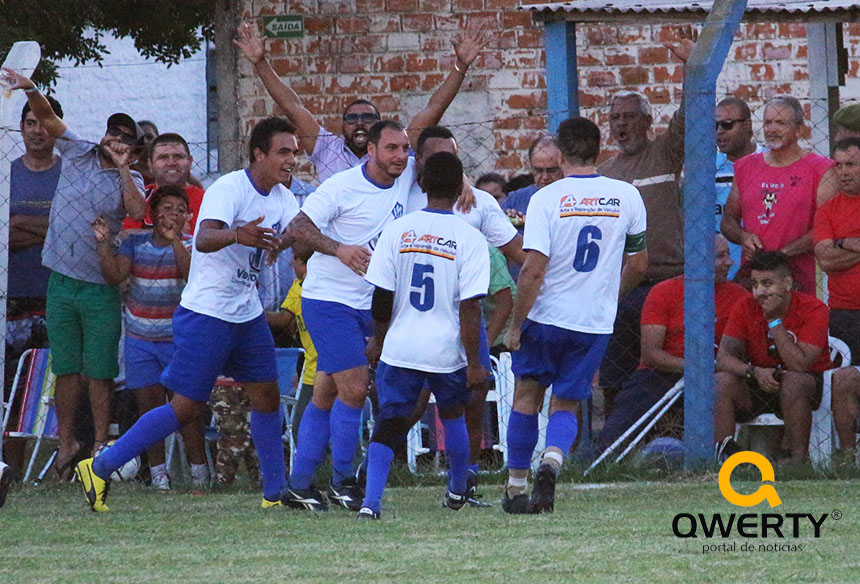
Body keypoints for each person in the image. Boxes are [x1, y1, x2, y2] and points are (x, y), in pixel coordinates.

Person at [73, 117, 301, 512]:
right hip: (208, 314)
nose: (292, 159)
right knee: (187, 407)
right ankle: (100, 466)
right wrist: (239, 234)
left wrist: (281, 242)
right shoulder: (229, 188)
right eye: (284, 152)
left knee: (266, 396)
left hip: (247, 314)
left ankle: (274, 495)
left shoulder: (283, 197)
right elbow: (205, 238)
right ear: (259, 154)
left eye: (294, 152)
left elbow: (292, 232)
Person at [4, 69, 148, 481]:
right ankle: (66, 442)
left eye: (125, 138)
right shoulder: (79, 150)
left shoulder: (133, 178)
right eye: (113, 132)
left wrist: (122, 168)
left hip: (99, 287)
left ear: (134, 149)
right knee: (66, 369)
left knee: (99, 373)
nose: (115, 140)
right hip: (60, 280)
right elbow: (49, 119)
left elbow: (138, 212)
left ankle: (100, 447)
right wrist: (30, 88)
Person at [502, 117, 648, 514]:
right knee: (566, 403)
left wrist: (516, 325)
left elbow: (532, 270)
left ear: (561, 154)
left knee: (527, 395)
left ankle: (516, 487)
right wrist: (608, 298)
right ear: (599, 150)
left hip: (546, 317)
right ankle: (552, 461)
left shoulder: (546, 199)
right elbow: (639, 263)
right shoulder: (626, 196)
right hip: (592, 322)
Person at [283, 120, 416, 511]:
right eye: (391, 148)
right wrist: (338, 248)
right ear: (370, 150)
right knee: (356, 389)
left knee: (326, 391)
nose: (400, 156)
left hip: (367, 302)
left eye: (404, 148)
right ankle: (343, 481)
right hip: (328, 301)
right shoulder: (341, 186)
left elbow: (432, 125)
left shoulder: (406, 174)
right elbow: (298, 227)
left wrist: (467, 185)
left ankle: (299, 484)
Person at [359, 151, 490, 519]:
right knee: (453, 413)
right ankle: (457, 490)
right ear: (462, 187)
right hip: (446, 349)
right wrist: (474, 362)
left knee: (390, 421)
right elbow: (470, 307)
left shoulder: (396, 231)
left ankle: (370, 503)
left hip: (401, 347)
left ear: (421, 184)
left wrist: (379, 340)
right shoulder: (470, 238)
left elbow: (381, 297)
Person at [405, 125, 524, 504]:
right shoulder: (402, 196)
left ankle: (464, 482)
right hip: (418, 324)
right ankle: (371, 470)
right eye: (436, 157)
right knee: (410, 404)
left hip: (466, 323)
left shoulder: (480, 204)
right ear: (418, 163)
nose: (445, 163)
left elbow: (517, 252)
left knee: (472, 402)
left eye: (451, 157)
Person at [234, 22, 489, 182]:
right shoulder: (327, 148)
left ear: (379, 126)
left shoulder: (395, 148)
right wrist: (260, 62)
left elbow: (434, 108)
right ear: (342, 125)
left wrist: (461, 65)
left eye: (368, 118)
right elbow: (292, 107)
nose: (359, 123)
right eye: (352, 118)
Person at [596, 38, 694, 405]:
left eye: (629, 116)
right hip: (625, 284)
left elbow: (688, 116)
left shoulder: (665, 153)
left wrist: (690, 68)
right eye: (615, 118)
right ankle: (616, 419)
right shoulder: (604, 174)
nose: (621, 124)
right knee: (616, 362)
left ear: (647, 120)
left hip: (670, 278)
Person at [92, 185, 209, 490]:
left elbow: (191, 276)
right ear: (152, 213)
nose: (173, 214)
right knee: (149, 407)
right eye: (166, 208)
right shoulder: (135, 243)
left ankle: (200, 472)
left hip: (178, 340)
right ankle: (158, 474)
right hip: (140, 339)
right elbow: (115, 276)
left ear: (188, 217)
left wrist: (174, 242)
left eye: (180, 210)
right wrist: (103, 245)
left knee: (186, 407)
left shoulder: (191, 245)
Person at [595, 235, 749, 455]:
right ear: (699, 262)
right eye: (721, 256)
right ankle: (605, 456)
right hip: (664, 371)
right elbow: (651, 354)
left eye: (728, 255)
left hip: (719, 372)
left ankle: (721, 456)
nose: (729, 262)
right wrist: (695, 367)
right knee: (619, 427)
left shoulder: (739, 296)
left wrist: (714, 367)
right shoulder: (664, 291)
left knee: (723, 384)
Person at [714, 251, 831, 464]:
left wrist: (774, 321)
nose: (759, 292)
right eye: (754, 284)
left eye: (767, 283)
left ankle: (798, 461)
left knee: (793, 381)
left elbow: (799, 365)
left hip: (807, 387)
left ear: (787, 283)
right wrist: (754, 372)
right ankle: (726, 457)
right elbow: (724, 358)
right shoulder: (745, 306)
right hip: (761, 379)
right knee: (721, 381)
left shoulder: (814, 309)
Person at [3, 97, 64, 480]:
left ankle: (61, 466)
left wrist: (19, 223)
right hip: (14, 295)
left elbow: (70, 230)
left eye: (45, 121)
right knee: (14, 383)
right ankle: (12, 469)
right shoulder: (6, 173)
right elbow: (4, 235)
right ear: (21, 127)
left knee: (62, 381)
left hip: (59, 291)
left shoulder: (69, 174)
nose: (38, 130)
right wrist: (47, 229)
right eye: (30, 122)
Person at [722, 96, 838, 293]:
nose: (772, 129)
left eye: (781, 123)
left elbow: (827, 227)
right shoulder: (745, 166)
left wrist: (783, 254)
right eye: (768, 123)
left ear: (799, 130)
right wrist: (743, 237)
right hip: (753, 279)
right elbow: (728, 220)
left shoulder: (821, 169)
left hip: (797, 280)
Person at [814, 137, 860, 363]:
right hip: (845, 312)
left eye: (851, 164)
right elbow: (826, 260)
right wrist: (846, 242)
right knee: (847, 376)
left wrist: (840, 243)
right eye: (838, 165)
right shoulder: (827, 211)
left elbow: (832, 255)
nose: (843, 172)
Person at [266, 249, 318, 445]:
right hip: (310, 368)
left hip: (329, 366)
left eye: (295, 259)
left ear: (305, 265)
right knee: (299, 430)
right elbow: (284, 318)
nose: (290, 264)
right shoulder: (297, 287)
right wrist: (259, 314)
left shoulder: (324, 288)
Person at [123, 133, 205, 234]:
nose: (171, 163)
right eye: (163, 157)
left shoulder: (206, 199)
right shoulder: (139, 198)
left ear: (190, 162)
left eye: (178, 156)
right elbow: (125, 236)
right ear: (150, 164)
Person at [715, 97, 759, 278]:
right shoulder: (706, 169)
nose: (719, 131)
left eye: (727, 125)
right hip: (720, 270)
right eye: (715, 126)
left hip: (761, 265)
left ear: (747, 124)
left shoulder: (769, 162)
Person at [501, 135, 563, 227]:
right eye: (538, 170)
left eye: (552, 170)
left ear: (564, 165)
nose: (545, 177)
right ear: (530, 165)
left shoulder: (576, 198)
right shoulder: (515, 200)